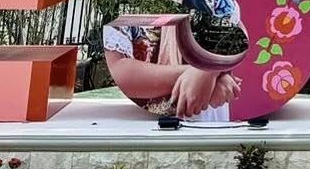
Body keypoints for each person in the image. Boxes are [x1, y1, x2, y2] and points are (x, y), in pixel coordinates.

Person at [102, 17, 241, 119]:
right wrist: (202, 71)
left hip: (206, 116)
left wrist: (211, 72)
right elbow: (120, 71)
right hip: (146, 124)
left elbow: (233, 40)